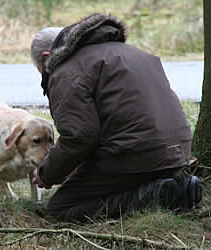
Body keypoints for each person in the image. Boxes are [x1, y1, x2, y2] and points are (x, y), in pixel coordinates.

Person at [30, 13, 202, 222]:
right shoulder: (135, 54)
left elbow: (79, 137)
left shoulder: (66, 71)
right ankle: (180, 189)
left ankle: (151, 196)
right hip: (178, 151)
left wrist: (47, 173)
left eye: (40, 70)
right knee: (126, 177)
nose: (44, 76)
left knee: (61, 208)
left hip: (135, 154)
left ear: (48, 57)